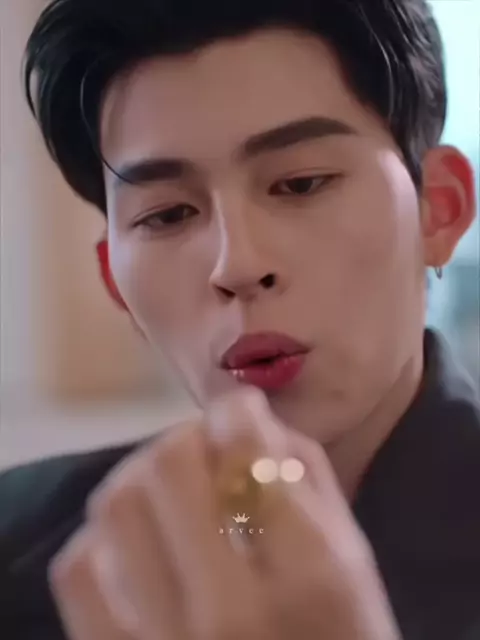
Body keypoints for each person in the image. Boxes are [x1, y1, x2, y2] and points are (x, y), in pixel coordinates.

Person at [1, 0, 479, 638]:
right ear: (116, 283)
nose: (237, 265)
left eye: (302, 183)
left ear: (438, 210)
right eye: (168, 215)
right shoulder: (24, 549)